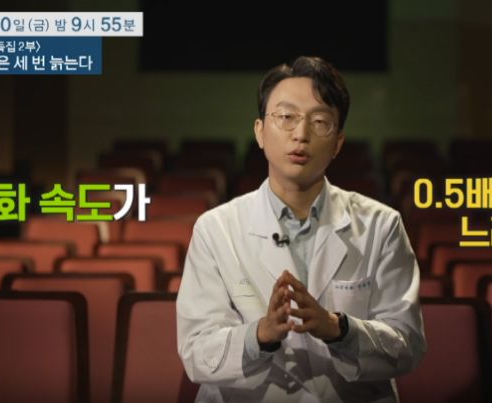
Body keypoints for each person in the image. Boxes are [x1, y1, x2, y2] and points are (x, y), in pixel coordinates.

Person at [176, 56, 425, 402]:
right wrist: (261, 335)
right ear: (260, 132)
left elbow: (407, 345)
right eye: (286, 117)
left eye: (319, 121)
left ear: (338, 143)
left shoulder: (382, 226)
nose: (301, 134)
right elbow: (196, 352)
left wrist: (339, 329)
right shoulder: (215, 229)